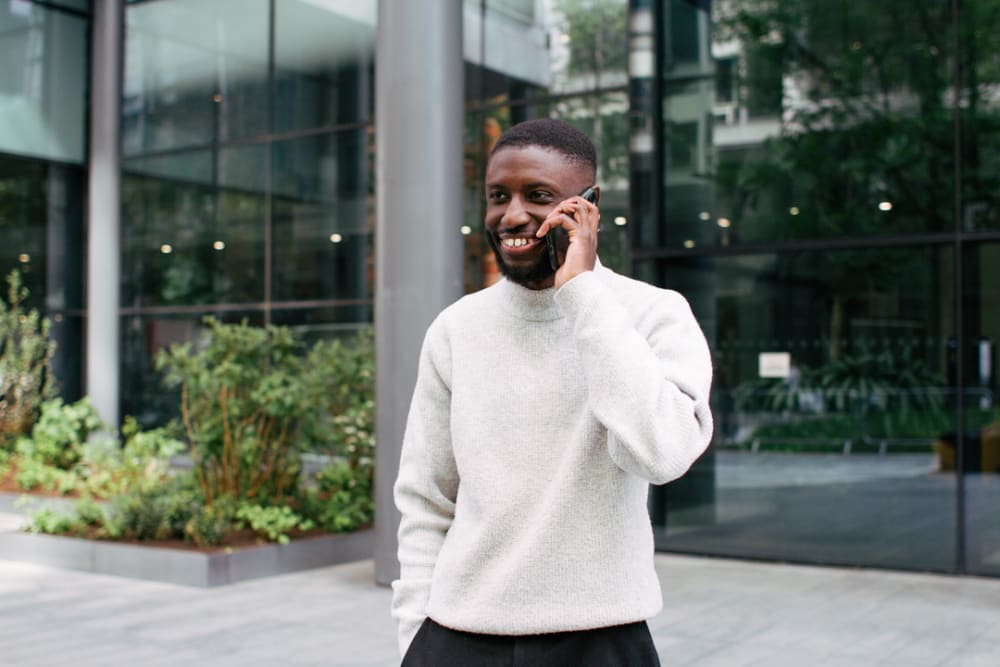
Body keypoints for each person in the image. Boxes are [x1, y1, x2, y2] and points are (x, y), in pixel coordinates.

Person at [391, 118, 714, 666]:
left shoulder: (653, 314)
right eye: (499, 196)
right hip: (457, 638)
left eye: (538, 196)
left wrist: (582, 292)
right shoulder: (455, 329)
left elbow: (663, 454)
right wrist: (413, 635)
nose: (512, 215)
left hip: (601, 640)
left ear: (590, 205)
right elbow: (426, 498)